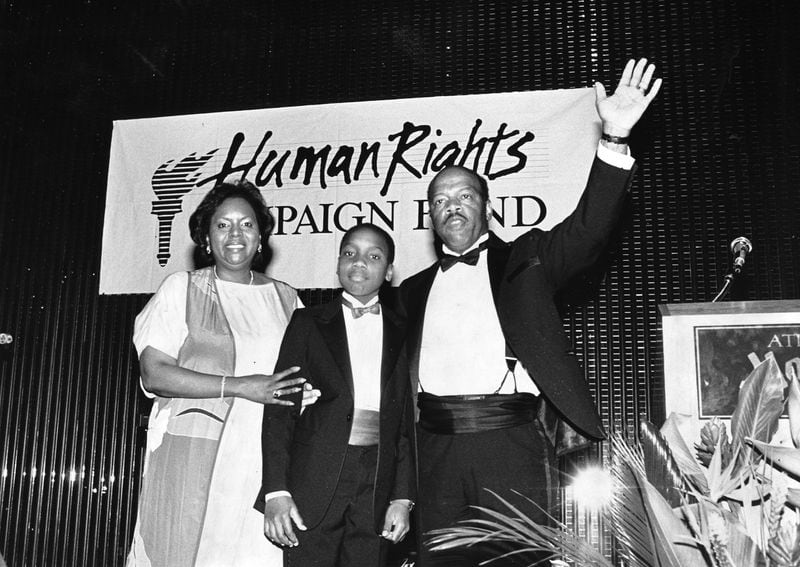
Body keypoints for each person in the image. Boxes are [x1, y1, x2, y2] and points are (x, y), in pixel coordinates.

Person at [397, 58, 662, 565]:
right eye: (440, 200)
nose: (452, 206)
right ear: (429, 216)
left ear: (487, 207)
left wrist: (615, 137)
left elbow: (588, 230)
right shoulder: (409, 291)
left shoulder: (528, 259)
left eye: (465, 196)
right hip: (434, 452)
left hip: (511, 444)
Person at [126, 179, 320, 567]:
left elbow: (303, 377)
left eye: (247, 225)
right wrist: (241, 387)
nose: (235, 235)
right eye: (223, 225)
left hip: (265, 461)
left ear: (261, 238)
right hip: (194, 457)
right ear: (206, 238)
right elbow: (155, 374)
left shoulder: (288, 300)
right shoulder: (180, 288)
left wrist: (307, 395)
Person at [258, 223, 415, 567]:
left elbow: (404, 423)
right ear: (338, 264)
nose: (359, 262)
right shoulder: (307, 323)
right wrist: (276, 491)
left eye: (373, 256)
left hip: (377, 482)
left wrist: (403, 497)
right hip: (314, 478)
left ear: (388, 271)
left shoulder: (404, 331)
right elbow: (280, 410)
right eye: (350, 253)